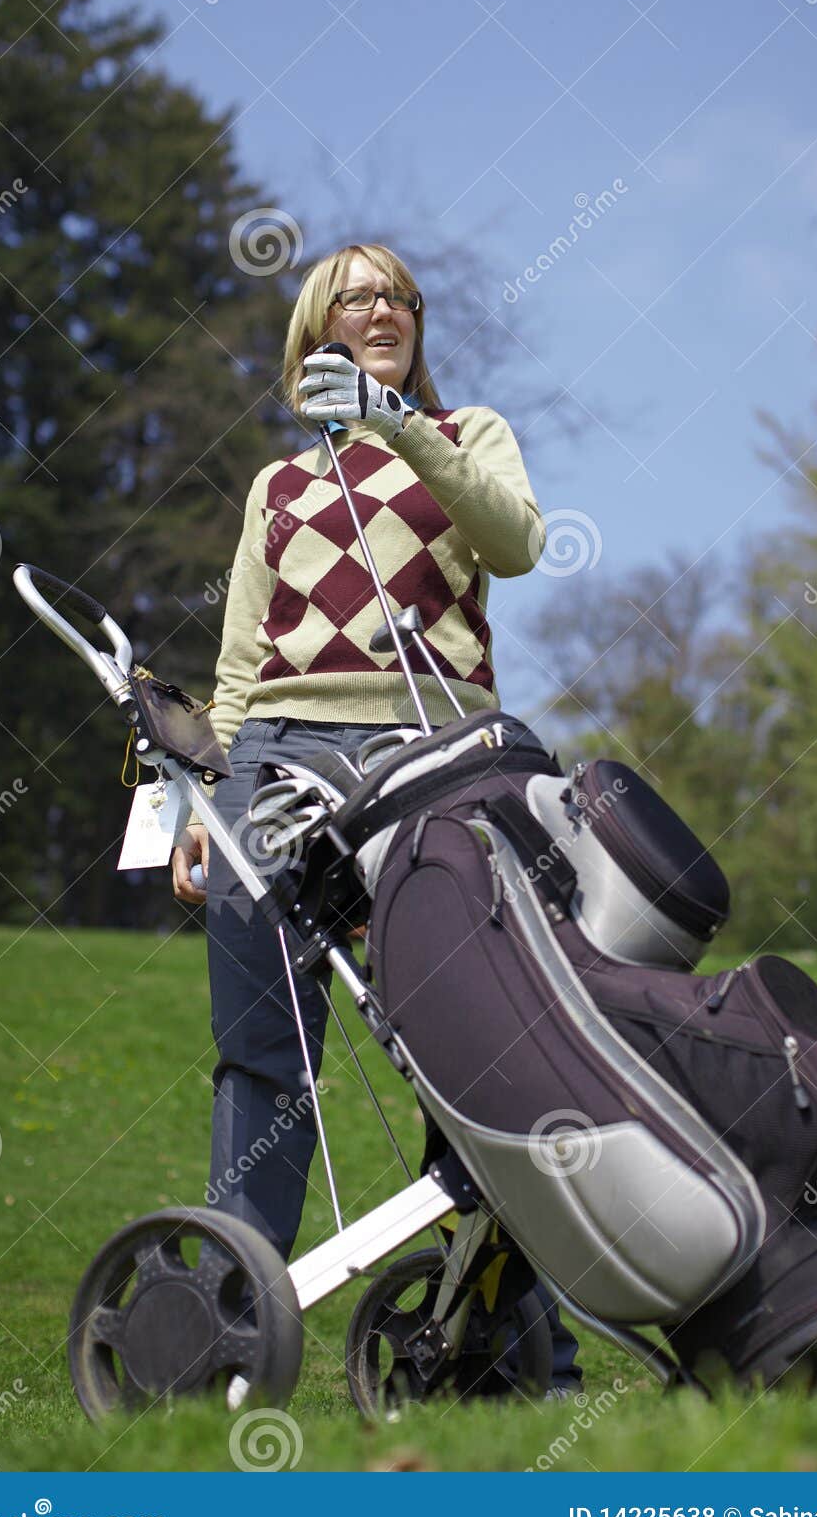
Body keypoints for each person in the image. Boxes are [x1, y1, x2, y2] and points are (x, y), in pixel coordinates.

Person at [171, 241, 582, 1394]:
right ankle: (220, 1344)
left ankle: (500, 1351)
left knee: (472, 1043)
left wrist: (401, 423)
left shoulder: (467, 434)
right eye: (355, 295)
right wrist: (199, 798)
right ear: (316, 331)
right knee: (263, 1053)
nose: (382, 306)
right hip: (276, 760)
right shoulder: (276, 486)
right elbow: (241, 661)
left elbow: (514, 544)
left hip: (435, 754)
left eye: (398, 295)